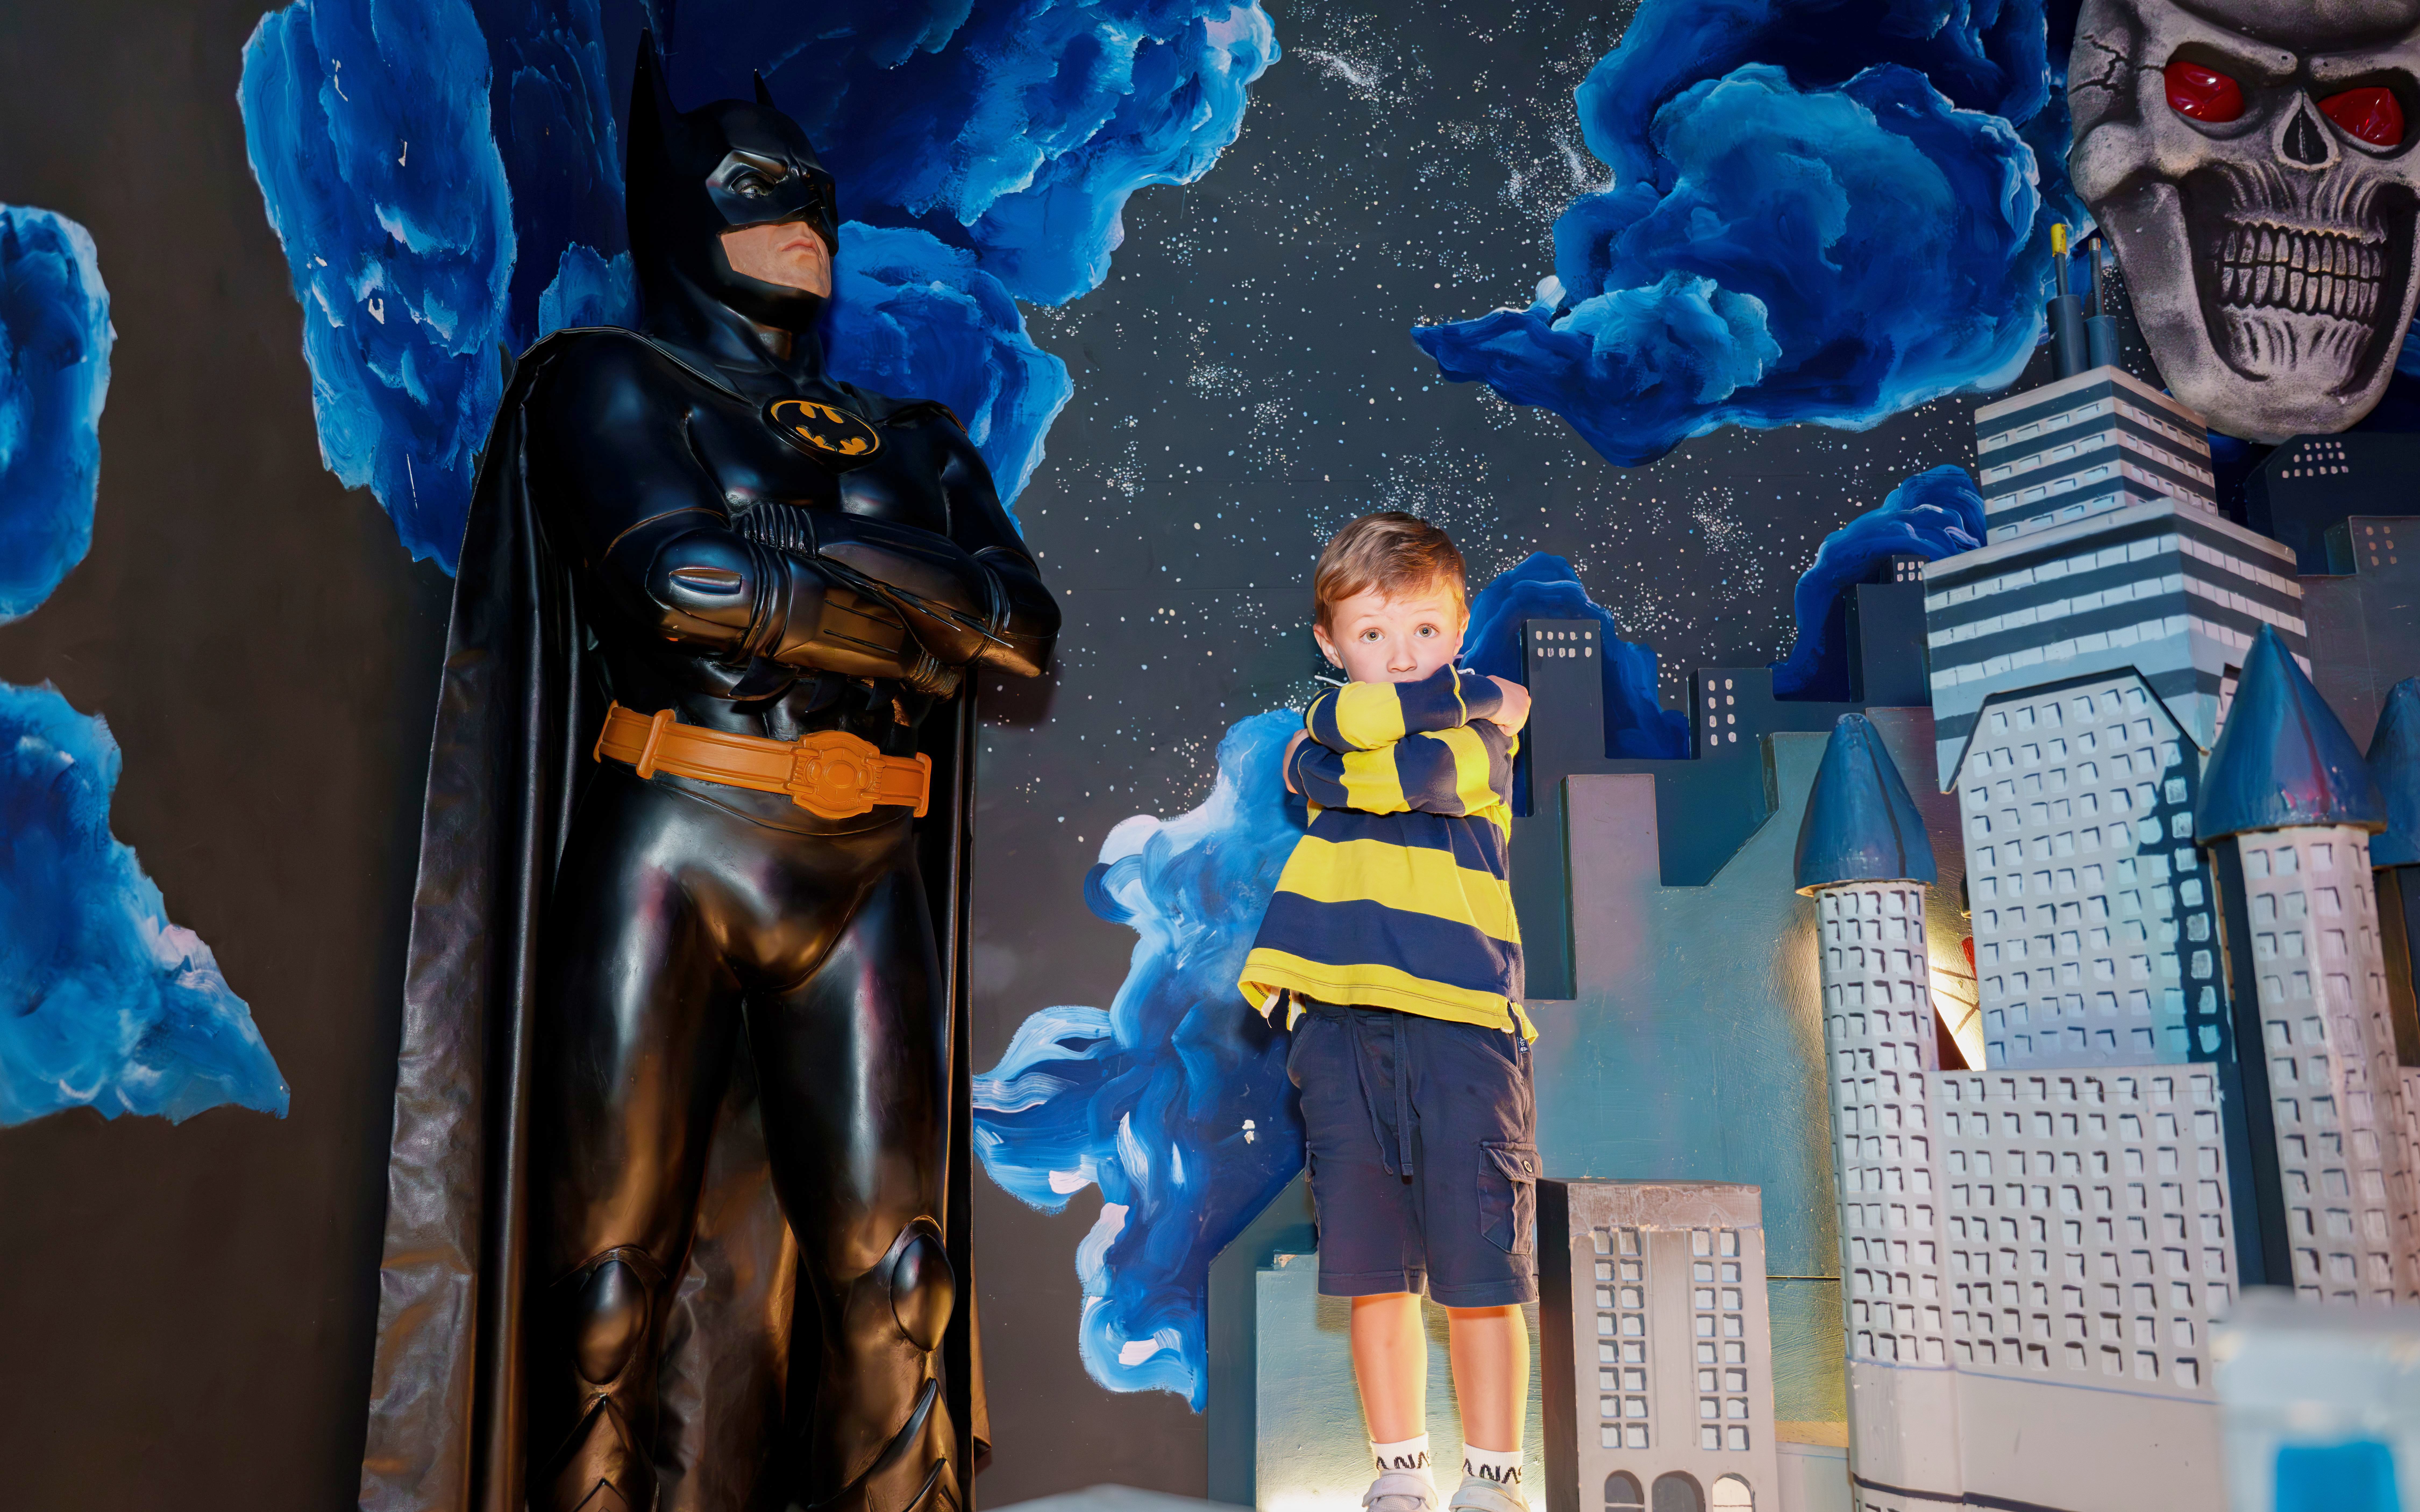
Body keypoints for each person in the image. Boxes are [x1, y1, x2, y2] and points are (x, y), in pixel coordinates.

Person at [357, 37, 1056, 1512]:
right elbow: (676, 585)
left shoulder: (910, 434)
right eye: (756, 192)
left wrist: (802, 556)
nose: (802, 218)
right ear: (685, 210)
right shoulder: (605, 381)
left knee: (903, 1271)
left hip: (864, 861)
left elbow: (1021, 640)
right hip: (675, 833)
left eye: (814, 197)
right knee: (608, 1272)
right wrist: (920, 596)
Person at [1239, 512, 1537, 1512]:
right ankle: (1398, 1475)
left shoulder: (1484, 731)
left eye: (1423, 632)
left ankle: (1493, 1480)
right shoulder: (1340, 736)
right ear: (1329, 644)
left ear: (1460, 630)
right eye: (1373, 635)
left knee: (1481, 1270)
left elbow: (1414, 773)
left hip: (1461, 1022)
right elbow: (1313, 763)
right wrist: (1337, 744)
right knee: (1375, 1271)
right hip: (1338, 1023)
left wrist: (1349, 738)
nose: (1401, 655)